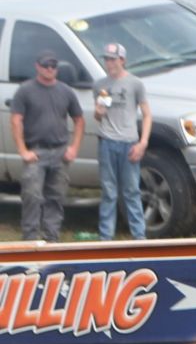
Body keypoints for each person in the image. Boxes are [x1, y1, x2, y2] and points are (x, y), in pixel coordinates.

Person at [10, 51, 83, 242]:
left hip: (60, 151)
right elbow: (16, 120)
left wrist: (74, 147)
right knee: (32, 196)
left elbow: (79, 119)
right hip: (36, 151)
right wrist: (23, 151)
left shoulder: (66, 91)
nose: (50, 69)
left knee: (56, 197)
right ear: (37, 66)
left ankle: (52, 239)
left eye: (53, 66)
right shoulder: (25, 90)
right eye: (45, 65)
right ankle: (30, 239)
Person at [91, 42, 150, 241]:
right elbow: (98, 115)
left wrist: (142, 143)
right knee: (109, 191)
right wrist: (98, 113)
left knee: (132, 191)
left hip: (129, 142)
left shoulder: (135, 83)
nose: (109, 63)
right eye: (106, 59)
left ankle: (139, 236)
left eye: (113, 59)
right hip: (107, 141)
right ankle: (105, 238)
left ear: (122, 60)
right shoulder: (100, 85)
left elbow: (147, 114)